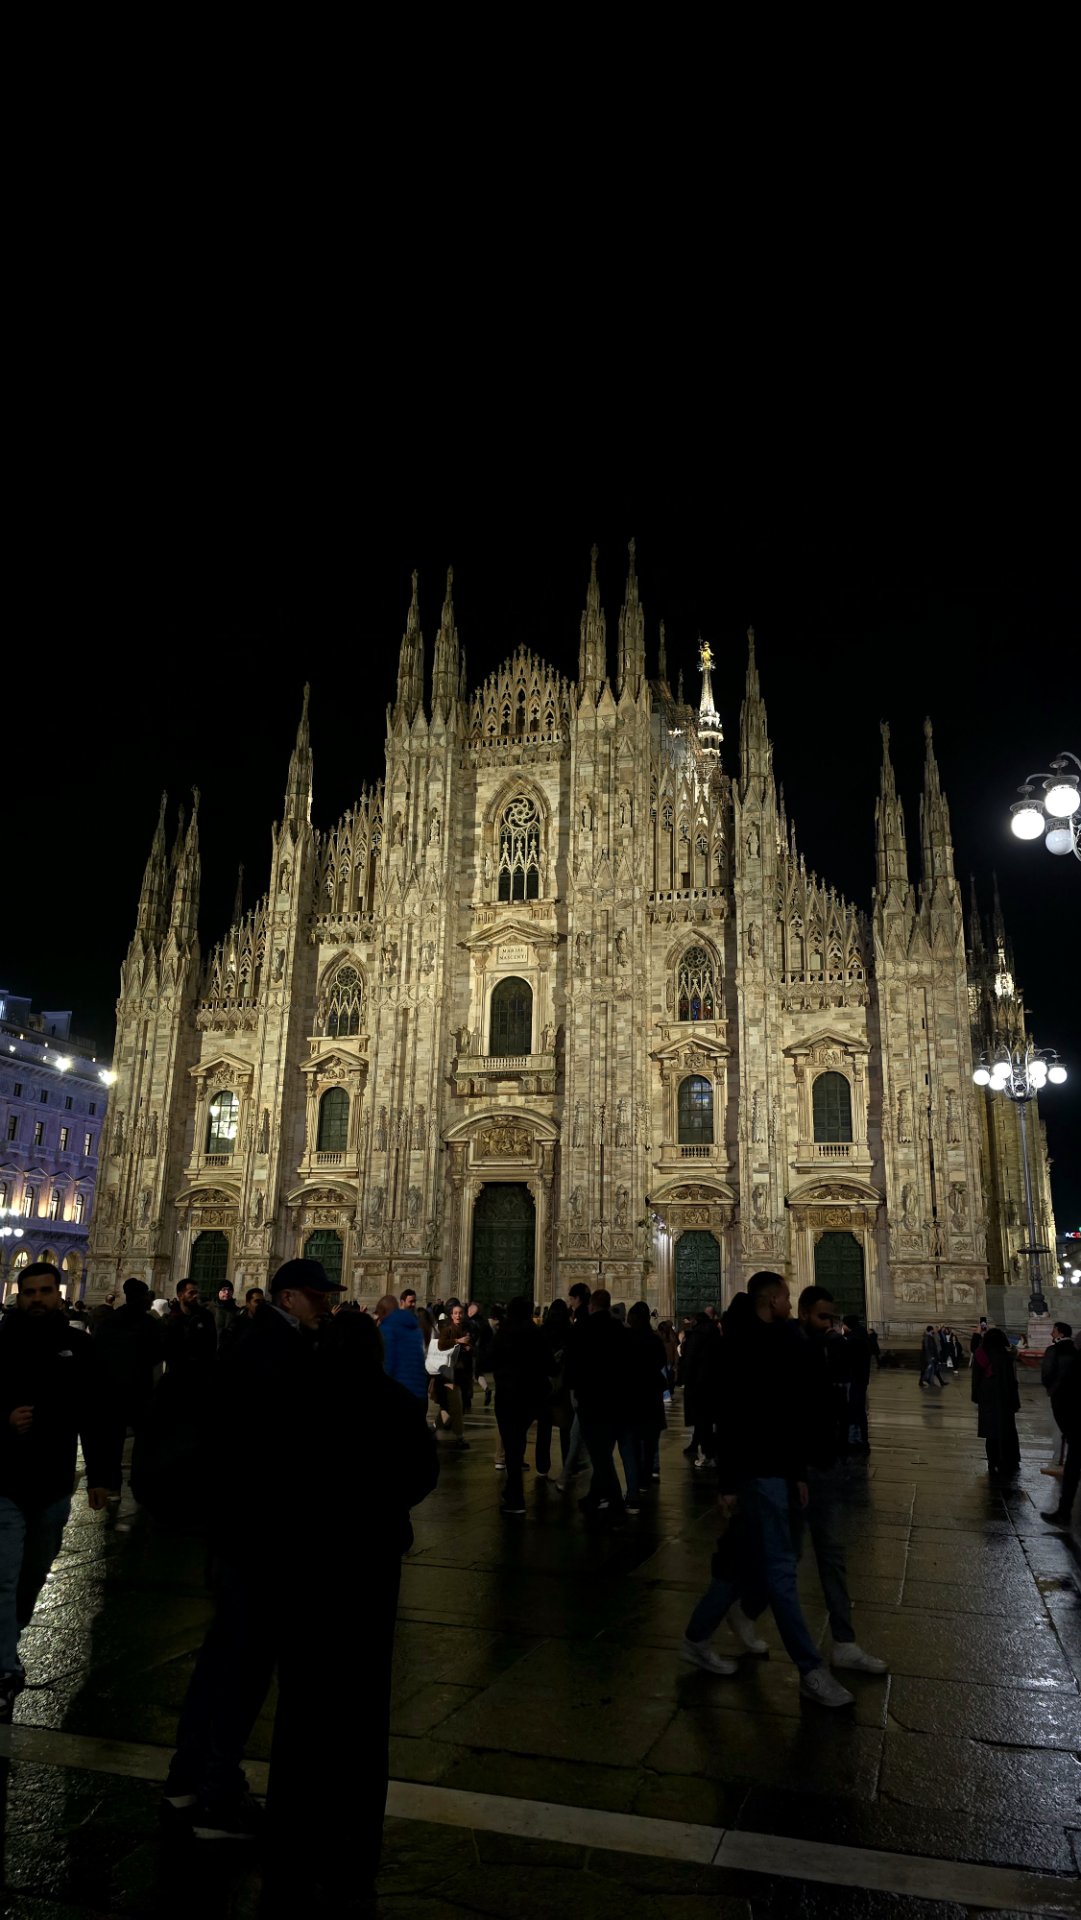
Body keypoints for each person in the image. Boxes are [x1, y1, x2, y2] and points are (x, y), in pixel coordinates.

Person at [163, 1257, 343, 1838]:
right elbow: (281, 1445)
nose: (327, 1305)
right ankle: (217, 1796)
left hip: (237, 1527)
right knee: (243, 1668)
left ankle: (186, 1780)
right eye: (318, 1297)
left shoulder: (251, 1341)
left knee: (220, 1659)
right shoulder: (276, 1351)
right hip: (263, 1533)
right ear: (288, 1298)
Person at [266, 1307, 438, 1904]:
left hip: (304, 1566)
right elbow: (422, 1473)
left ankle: (288, 1833)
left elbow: (267, 1471)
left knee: (299, 1703)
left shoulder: (292, 1396)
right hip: (369, 1568)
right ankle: (356, 1842)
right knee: (365, 1707)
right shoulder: (392, 1402)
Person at [680, 1272, 855, 1708]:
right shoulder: (740, 1346)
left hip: (776, 1470)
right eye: (785, 1297)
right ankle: (810, 1669)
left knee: (742, 1563)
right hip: (756, 1474)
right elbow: (731, 1417)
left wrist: (796, 1472)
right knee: (779, 1569)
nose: (789, 1303)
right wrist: (728, 1482)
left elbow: (783, 1416)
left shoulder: (777, 1341)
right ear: (773, 1299)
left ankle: (698, 1635)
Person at [733, 1286, 887, 1674]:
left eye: (832, 1318)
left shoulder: (824, 1346)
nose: (829, 1324)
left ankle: (843, 1642)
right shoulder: (789, 1347)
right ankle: (753, 1619)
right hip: (799, 1470)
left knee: (824, 1553)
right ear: (800, 1312)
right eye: (822, 1317)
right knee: (791, 1554)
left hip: (819, 1465)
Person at [0, 1263, 113, 1721]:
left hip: (53, 1481)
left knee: (34, 1574)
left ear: (59, 1295)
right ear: (20, 1296)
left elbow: (96, 1413)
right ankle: (4, 1667)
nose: (38, 1299)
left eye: (45, 1291)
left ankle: (11, 1633)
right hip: (4, 1480)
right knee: (4, 1577)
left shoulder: (79, 1347)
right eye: (30, 1292)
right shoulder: (0, 1343)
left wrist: (102, 1475)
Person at [91, 1275, 163, 1527]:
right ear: (141, 1297)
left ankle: (113, 1485)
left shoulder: (109, 1320)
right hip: (139, 1390)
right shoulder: (148, 1323)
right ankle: (140, 1483)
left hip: (113, 1390)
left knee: (113, 1439)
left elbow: (97, 1351)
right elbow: (158, 1354)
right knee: (143, 1439)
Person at [566, 1289, 629, 1523]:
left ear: (591, 1306)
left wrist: (574, 1391)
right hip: (615, 1398)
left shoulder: (583, 1328)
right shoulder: (619, 1330)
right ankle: (594, 1495)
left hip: (590, 1398)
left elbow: (573, 1363)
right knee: (602, 1449)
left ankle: (616, 1501)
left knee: (599, 1453)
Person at [490, 1296, 549, 1515]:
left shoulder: (504, 1333)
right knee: (518, 1441)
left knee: (512, 1444)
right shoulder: (536, 1334)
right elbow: (550, 1365)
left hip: (506, 1396)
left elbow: (487, 1359)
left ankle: (515, 1496)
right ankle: (511, 1490)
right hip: (530, 1397)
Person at [619, 1302, 667, 1513]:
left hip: (630, 1398)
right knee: (649, 1443)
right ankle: (644, 1480)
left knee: (630, 1445)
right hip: (651, 1398)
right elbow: (661, 1363)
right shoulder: (655, 1340)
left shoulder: (626, 1339)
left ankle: (632, 1490)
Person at [1042, 1329, 1080, 1528]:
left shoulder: (1072, 1365)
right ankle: (1064, 1512)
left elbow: (1061, 1392)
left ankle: (1064, 1513)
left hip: (1076, 1426)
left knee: (1073, 1468)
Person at [974, 1326, 1021, 1477]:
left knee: (991, 1433)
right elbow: (1013, 1381)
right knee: (1007, 1431)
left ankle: (992, 1462)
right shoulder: (1006, 1355)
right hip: (1006, 1398)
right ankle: (1010, 1460)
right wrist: (1015, 1402)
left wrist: (977, 1397)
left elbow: (976, 1378)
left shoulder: (981, 1354)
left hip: (988, 1398)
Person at [163, 1279, 216, 1388]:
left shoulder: (206, 1317)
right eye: (191, 1293)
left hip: (200, 1376)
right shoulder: (171, 1319)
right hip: (177, 1376)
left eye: (197, 1293)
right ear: (180, 1295)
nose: (196, 1296)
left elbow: (211, 1344)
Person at [374, 1292, 427, 1401]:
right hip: (418, 1390)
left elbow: (389, 1362)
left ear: (383, 1312)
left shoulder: (388, 1327)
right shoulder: (414, 1326)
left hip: (399, 1391)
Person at [1040, 1323, 1075, 1479]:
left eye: (1053, 1330)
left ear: (1060, 1333)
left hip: (1059, 1394)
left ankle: (1059, 1461)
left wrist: (1051, 1388)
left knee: (1059, 1429)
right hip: (1076, 1394)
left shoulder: (1053, 1350)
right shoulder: (1076, 1349)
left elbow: (1046, 1374)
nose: (1051, 1333)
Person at [213, 1282, 240, 1347]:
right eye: (224, 1289)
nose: (227, 1292)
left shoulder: (237, 1311)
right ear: (218, 1292)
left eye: (229, 1290)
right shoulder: (210, 1309)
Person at [919, 1324, 946, 1389]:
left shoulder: (930, 1337)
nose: (933, 1330)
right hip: (928, 1357)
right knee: (929, 1370)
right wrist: (931, 1357)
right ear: (931, 1330)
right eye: (933, 1329)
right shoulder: (927, 1338)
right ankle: (927, 1381)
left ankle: (940, 1382)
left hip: (930, 1357)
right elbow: (928, 1348)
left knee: (934, 1369)